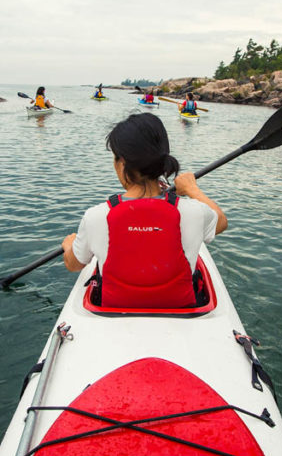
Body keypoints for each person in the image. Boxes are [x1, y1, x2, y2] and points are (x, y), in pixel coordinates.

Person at [61, 113, 227, 309]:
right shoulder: (195, 213)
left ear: (121, 162)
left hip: (113, 312)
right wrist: (192, 189)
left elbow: (74, 264)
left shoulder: (96, 217)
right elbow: (221, 222)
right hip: (181, 311)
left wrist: (69, 246)